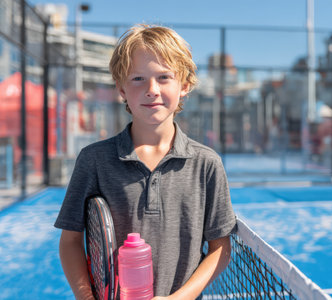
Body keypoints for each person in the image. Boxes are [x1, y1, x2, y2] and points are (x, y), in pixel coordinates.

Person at [55, 24, 236, 300]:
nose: (152, 89)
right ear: (121, 89)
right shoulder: (94, 160)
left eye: (164, 77)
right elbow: (70, 242)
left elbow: (220, 248)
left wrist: (179, 299)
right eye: (138, 78)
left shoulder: (207, 164)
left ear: (184, 85)